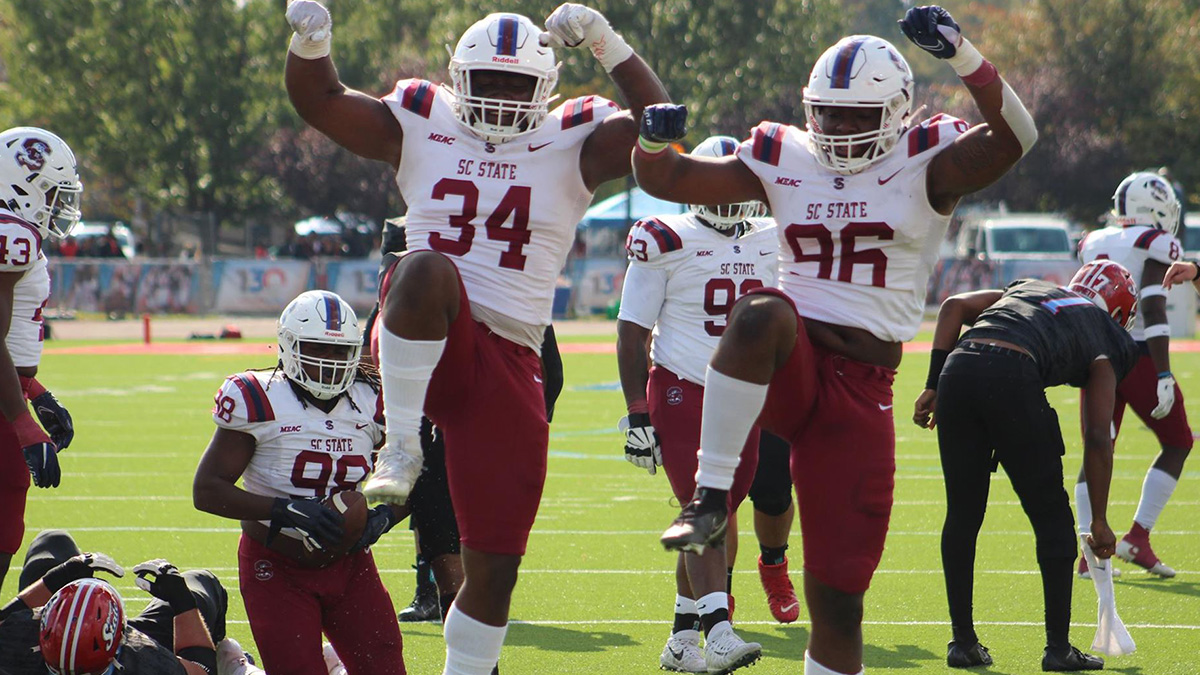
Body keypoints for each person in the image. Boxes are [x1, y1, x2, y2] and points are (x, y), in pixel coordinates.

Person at [631, 6, 1036, 674]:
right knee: (761, 312)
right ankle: (707, 498)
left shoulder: (926, 159)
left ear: (899, 111)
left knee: (838, 603)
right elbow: (671, 180)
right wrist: (651, 145)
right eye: (829, 113)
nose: (840, 128)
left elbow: (1016, 136)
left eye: (858, 114)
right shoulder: (786, 155)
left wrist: (965, 56)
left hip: (862, 386)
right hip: (794, 363)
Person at [284, 2, 669, 672]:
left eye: (517, 83)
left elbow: (660, 126)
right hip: (429, 336)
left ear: (544, 88)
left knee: (493, 568)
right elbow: (320, 100)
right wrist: (311, 40)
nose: (500, 95)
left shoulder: (572, 137)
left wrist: (609, 44)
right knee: (426, 266)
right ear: (460, 78)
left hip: (514, 356)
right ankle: (401, 448)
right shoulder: (422, 121)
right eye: (487, 80)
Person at [913, 260, 1140, 671]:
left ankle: (962, 642)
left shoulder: (1030, 286)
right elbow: (1096, 436)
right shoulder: (1106, 331)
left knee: (963, 514)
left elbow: (951, 308)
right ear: (1120, 313)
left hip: (958, 369)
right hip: (1013, 373)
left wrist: (932, 383)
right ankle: (1058, 650)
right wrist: (1102, 519)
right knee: (1052, 520)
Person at [617, 135, 777, 673]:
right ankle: (719, 630)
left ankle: (682, 638)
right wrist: (638, 413)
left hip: (746, 394)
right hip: (683, 388)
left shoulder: (771, 236)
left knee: (718, 511)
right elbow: (631, 331)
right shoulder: (666, 238)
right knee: (705, 511)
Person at [192, 290, 406, 674]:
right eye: (318, 349)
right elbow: (207, 490)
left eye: (340, 352)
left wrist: (385, 517)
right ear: (290, 345)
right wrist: (284, 509)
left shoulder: (371, 398)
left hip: (350, 563)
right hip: (276, 564)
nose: (330, 362)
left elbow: (411, 471)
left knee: (386, 668)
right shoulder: (259, 396)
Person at [1075, 171, 1188, 579]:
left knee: (1097, 446)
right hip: (1136, 353)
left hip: (1093, 353)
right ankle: (1137, 537)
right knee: (1177, 441)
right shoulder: (1154, 242)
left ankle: (1088, 552)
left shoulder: (1094, 239)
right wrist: (1162, 373)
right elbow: (1153, 308)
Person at [0, 127, 80, 595]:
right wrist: (22, 421)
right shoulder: (11, 234)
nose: (57, 202)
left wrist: (35, 393)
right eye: (50, 190)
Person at [0, 529, 255, 675]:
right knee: (199, 582)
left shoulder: (15, 641)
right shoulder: (141, 660)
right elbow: (200, 667)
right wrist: (182, 601)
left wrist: (57, 577)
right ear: (120, 639)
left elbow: (7, 619)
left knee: (52, 542)